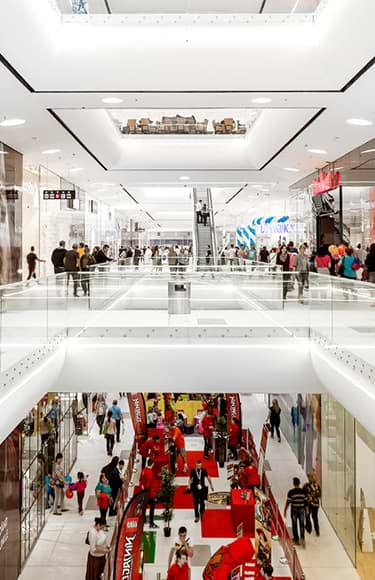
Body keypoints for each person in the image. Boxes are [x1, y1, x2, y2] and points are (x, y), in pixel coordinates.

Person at [284, 477, 307, 546]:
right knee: (302, 524)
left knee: (294, 524)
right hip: (301, 510)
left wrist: (285, 510)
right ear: (299, 483)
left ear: (293, 484)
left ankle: (296, 539)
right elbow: (305, 502)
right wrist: (307, 511)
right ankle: (302, 537)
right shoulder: (303, 491)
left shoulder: (291, 492)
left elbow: (288, 502)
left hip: (294, 510)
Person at [139, 458, 159, 528]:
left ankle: (143, 519)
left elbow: (141, 480)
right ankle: (151, 522)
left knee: (144, 507)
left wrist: (143, 488)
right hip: (150, 493)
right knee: (152, 507)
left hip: (144, 492)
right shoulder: (150, 473)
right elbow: (148, 484)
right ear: (152, 464)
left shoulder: (144, 470)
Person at [303, 471, 321, 536]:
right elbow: (319, 495)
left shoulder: (306, 486)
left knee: (307, 516)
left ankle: (309, 528)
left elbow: (303, 495)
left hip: (308, 504)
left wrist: (309, 498)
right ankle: (317, 530)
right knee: (315, 517)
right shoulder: (317, 486)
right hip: (316, 504)